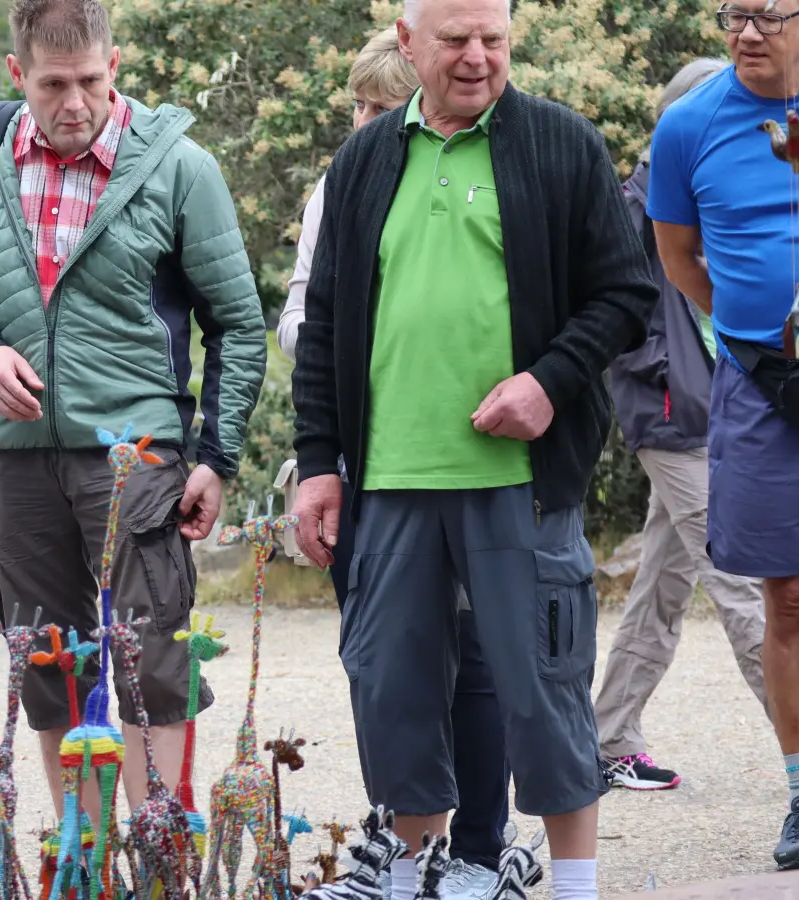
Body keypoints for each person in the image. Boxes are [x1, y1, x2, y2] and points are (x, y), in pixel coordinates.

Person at [288, 0, 658, 893]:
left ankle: (573, 889)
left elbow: (625, 293)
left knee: (548, 692)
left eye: (492, 38)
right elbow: (326, 323)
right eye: (455, 39)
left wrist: (548, 382)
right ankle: (419, 880)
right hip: (390, 483)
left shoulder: (561, 145)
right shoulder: (366, 159)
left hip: (520, 483)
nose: (477, 57)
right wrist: (317, 465)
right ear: (407, 43)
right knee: (396, 695)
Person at [0, 0, 267, 817]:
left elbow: (239, 324)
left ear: (115, 67)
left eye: (89, 80)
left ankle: (156, 850)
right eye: (52, 85)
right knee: (48, 665)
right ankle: (81, 856)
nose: (73, 102)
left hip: (135, 452)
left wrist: (216, 460)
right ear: (18, 76)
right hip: (15, 452)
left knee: (153, 660)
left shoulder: (181, 168)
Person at [279, 27, 507, 900]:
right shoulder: (345, 184)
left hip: (471, 454)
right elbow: (302, 320)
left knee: (476, 654)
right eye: (359, 108)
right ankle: (402, 847)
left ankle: (480, 851)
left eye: (380, 107)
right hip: (373, 456)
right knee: (384, 661)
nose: (366, 123)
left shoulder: (488, 161)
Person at [645, 0, 799, 869]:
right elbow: (678, 256)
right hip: (765, 387)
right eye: (733, 14)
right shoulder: (687, 128)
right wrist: (750, 343)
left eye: (769, 14)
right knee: (786, 595)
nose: (748, 32)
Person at [597, 56, 771, 794]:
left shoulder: (713, 187)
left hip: (717, 407)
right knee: (744, 584)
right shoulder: (633, 201)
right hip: (670, 413)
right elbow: (608, 303)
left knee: (663, 585)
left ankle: (607, 738)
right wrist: (658, 368)